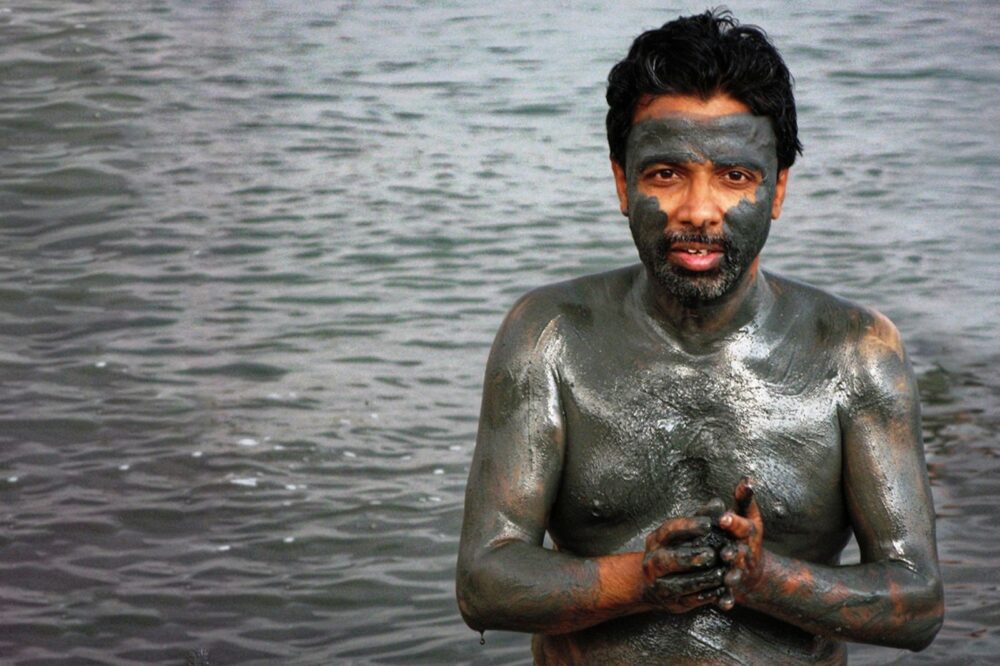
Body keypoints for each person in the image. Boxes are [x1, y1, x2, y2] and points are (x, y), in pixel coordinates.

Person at [455, 9, 943, 665]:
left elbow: (917, 603)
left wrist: (770, 580)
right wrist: (642, 580)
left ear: (777, 189)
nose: (698, 210)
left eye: (734, 176)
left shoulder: (855, 354)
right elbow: (484, 583)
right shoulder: (549, 338)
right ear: (623, 181)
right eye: (666, 173)